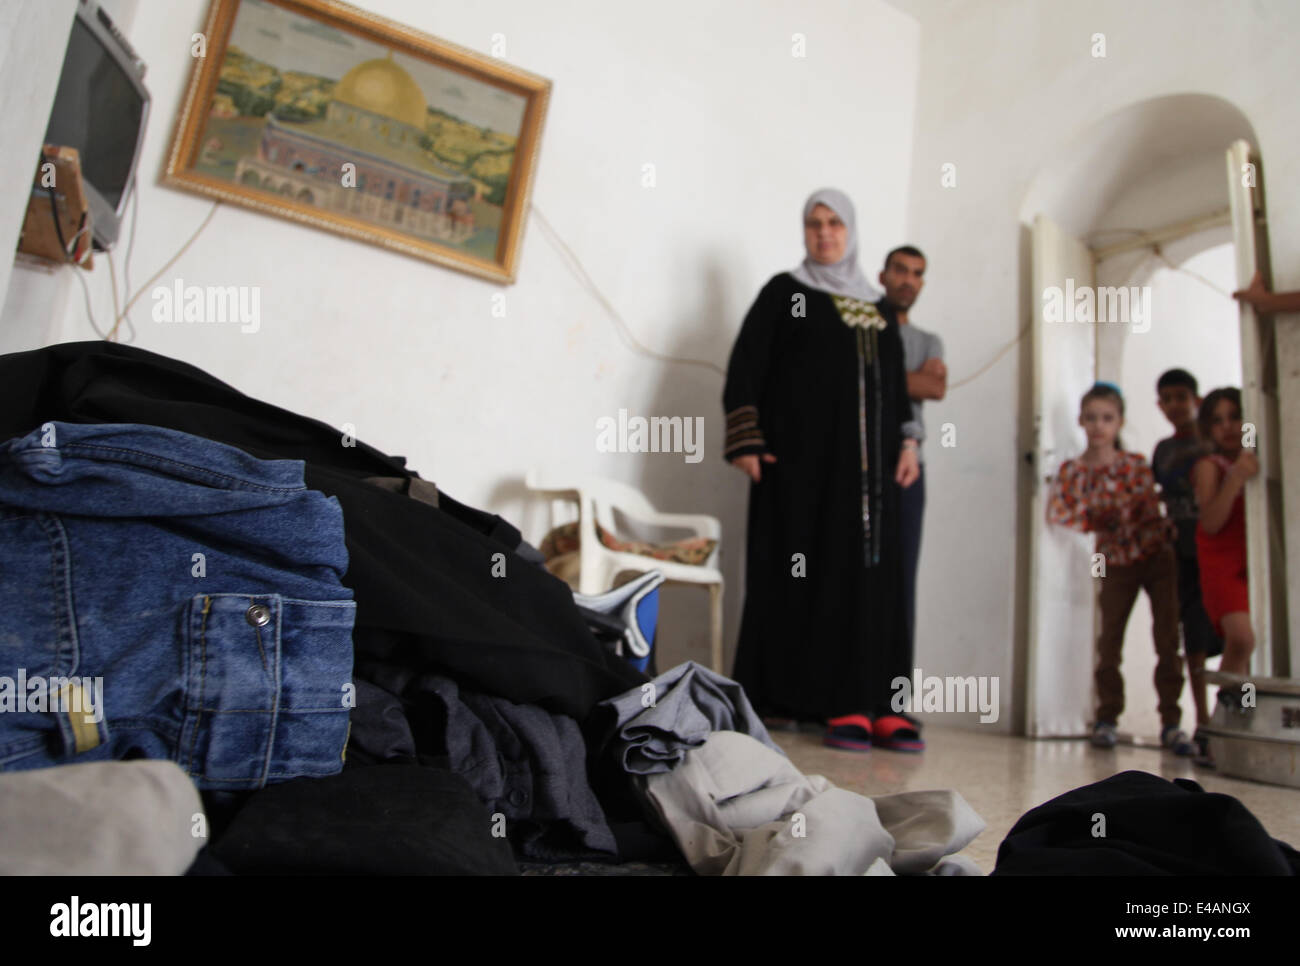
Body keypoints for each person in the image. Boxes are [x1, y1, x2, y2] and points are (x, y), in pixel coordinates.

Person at [723, 187, 921, 753]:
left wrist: (909, 443)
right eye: (814, 223)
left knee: (874, 581)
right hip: (801, 473)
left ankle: (877, 700)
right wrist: (746, 439)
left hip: (870, 477)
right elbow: (746, 367)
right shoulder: (785, 293)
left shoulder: (878, 310)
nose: (825, 233)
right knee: (808, 576)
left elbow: (896, 388)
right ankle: (819, 700)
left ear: (851, 230)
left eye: (835, 223)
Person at [1046, 382, 1190, 754]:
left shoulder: (1134, 464)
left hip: (1157, 559)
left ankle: (1172, 723)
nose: (1098, 426)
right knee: (1109, 641)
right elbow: (1060, 512)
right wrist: (1100, 518)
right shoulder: (1072, 471)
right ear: (1081, 420)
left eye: (1107, 418)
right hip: (1112, 562)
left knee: (1167, 640)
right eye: (1091, 418)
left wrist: (1106, 515)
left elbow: (1141, 507)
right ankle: (1107, 717)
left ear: (1119, 422)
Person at [878, 245, 944, 674]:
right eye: (900, 270)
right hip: (857, 461)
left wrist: (879, 377)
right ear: (883, 275)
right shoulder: (861, 327)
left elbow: (934, 387)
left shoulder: (928, 340)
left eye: (917, 273)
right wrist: (908, 380)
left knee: (900, 579)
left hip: (907, 463)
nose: (907, 279)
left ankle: (892, 695)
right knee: (853, 576)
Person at [1150, 369, 1222, 761]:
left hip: (1216, 549)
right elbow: (1156, 493)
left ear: (1196, 399)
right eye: (1168, 398)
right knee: (1190, 635)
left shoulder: (1212, 441)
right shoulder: (1162, 450)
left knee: (1227, 631)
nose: (1176, 405)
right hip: (1181, 556)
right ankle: (1203, 722)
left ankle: (1230, 718)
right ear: (1160, 406)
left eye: (1182, 396)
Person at [1191, 388, 1258, 721]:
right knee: (1242, 639)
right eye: (1217, 420)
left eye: (1235, 417)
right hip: (1220, 563)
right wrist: (1236, 479)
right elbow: (1212, 521)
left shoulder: (1255, 461)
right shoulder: (1209, 465)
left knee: (1251, 645)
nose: (1228, 426)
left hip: (1252, 564)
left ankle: (1235, 724)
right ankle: (1219, 725)